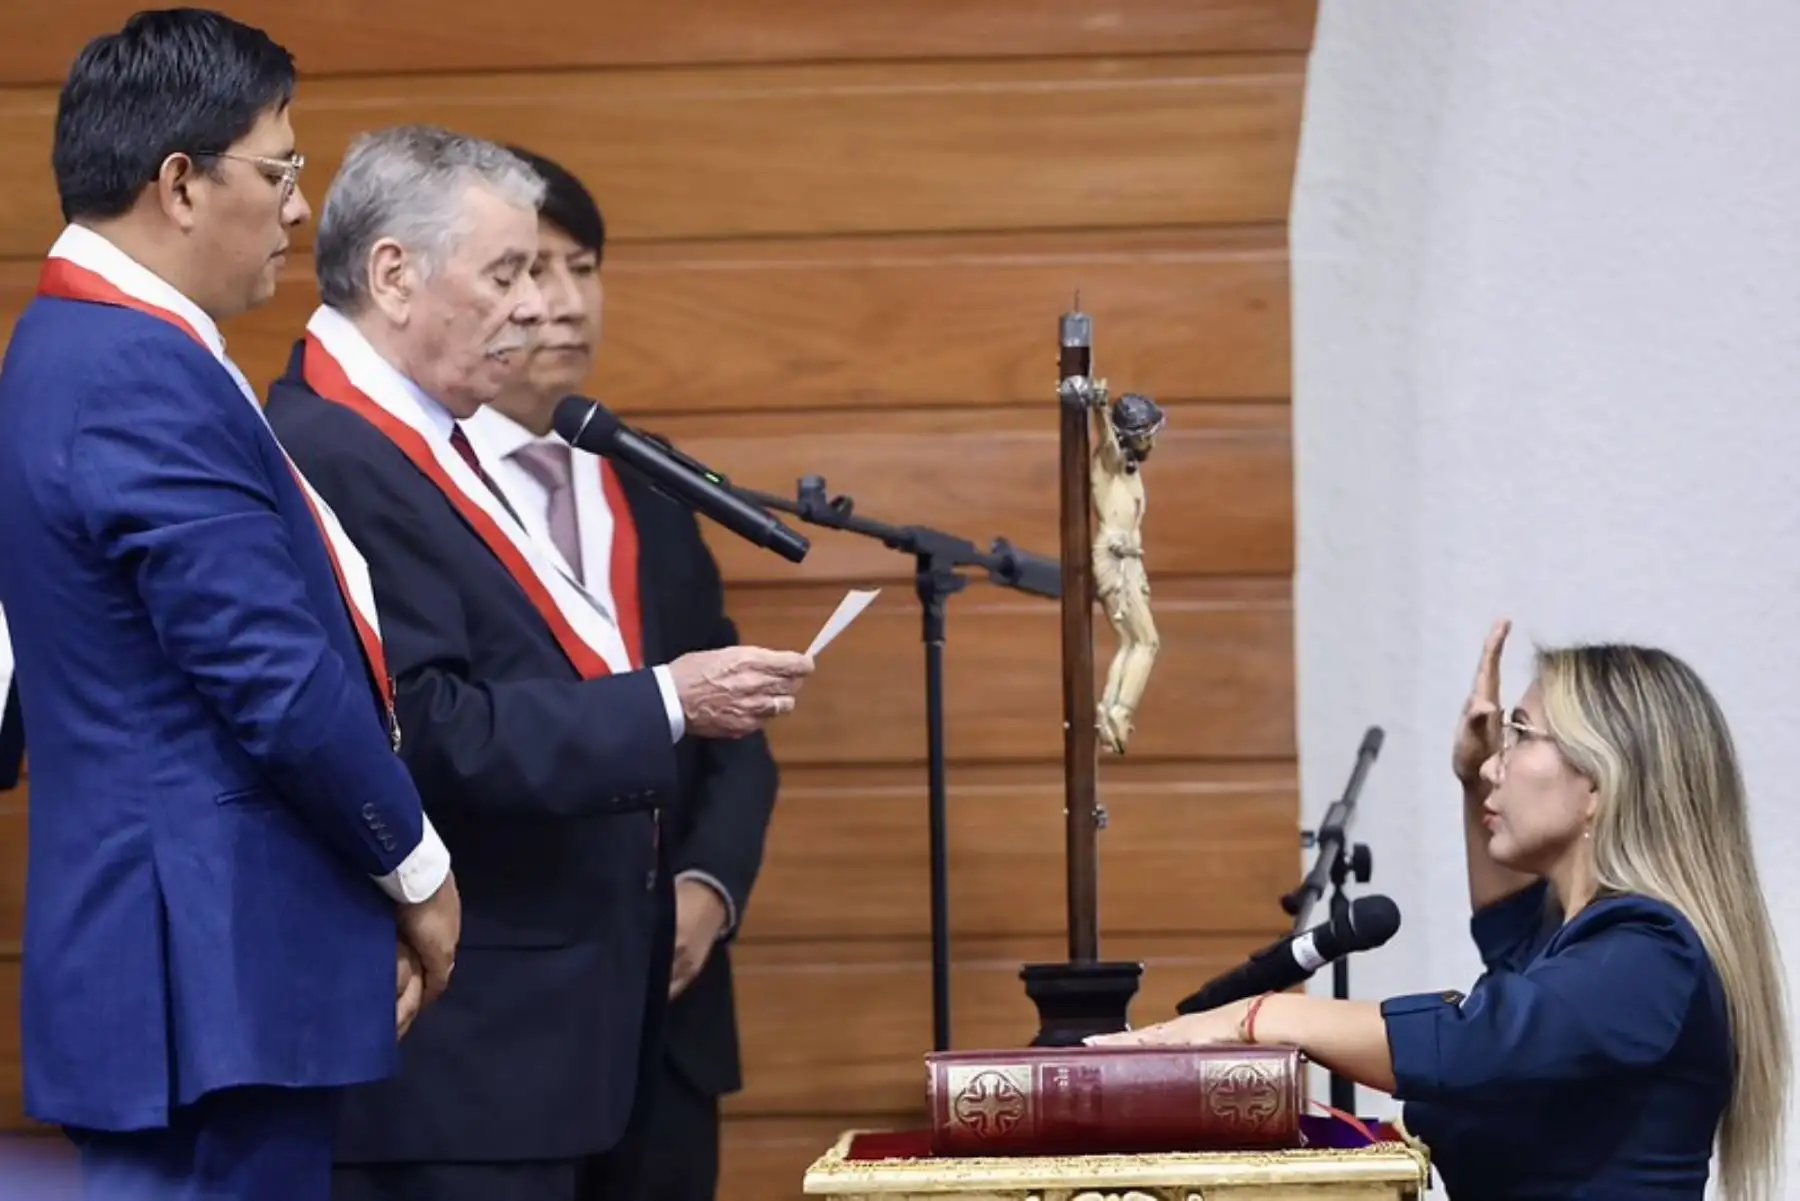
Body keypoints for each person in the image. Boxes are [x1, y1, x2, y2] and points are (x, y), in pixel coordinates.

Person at [260, 124, 814, 1201]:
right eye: (508, 272)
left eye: (552, 272)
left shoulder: (418, 434)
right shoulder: (336, 448)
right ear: (394, 274)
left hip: (553, 1051)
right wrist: (664, 699)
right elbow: (421, 724)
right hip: (460, 1063)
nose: (534, 305)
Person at [0, 11, 461, 1200]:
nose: (302, 209)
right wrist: (413, 863)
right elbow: (271, 674)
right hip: (205, 971)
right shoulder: (132, 369)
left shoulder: (79, 347)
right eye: (282, 170)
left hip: (194, 965)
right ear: (180, 184)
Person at [1091, 619, 1788, 1200]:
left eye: (1522, 734)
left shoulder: (1649, 956)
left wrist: (1258, 1017)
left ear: (1601, 782)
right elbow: (1509, 932)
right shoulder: (1581, 944)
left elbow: (1475, 1040)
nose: (1496, 765)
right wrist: (1470, 778)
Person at [461, 144, 779, 1201]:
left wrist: (708, 887)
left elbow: (734, 734)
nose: (560, 303)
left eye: (582, 267)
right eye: (526, 271)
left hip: (670, 1013)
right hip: (496, 1019)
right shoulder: (419, 490)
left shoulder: (649, 480)